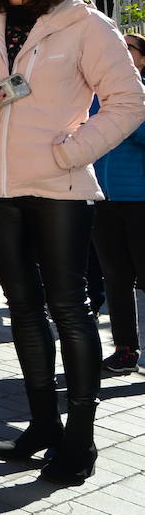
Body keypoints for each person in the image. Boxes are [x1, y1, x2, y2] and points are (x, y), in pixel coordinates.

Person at [0, 0, 145, 484]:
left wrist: (72, 152)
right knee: (23, 309)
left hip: (60, 186)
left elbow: (129, 102)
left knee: (70, 309)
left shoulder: (86, 22)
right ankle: (42, 426)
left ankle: (79, 441)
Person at [91, 32, 145, 374]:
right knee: (115, 277)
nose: (122, 53)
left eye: (130, 48)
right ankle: (126, 349)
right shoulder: (96, 93)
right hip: (102, 198)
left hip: (139, 199)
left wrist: (122, 117)